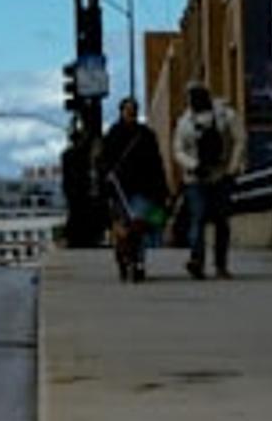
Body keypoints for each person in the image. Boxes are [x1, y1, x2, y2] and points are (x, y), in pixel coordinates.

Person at [171, 83, 245, 279]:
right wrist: (195, 165)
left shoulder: (224, 115)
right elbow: (178, 150)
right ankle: (199, 260)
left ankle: (218, 263)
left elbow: (240, 139)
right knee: (200, 219)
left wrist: (232, 167)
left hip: (217, 175)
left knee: (217, 221)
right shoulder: (186, 122)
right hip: (198, 178)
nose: (193, 101)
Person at [95, 98, 171, 283]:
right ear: (121, 111)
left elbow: (156, 163)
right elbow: (102, 162)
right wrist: (106, 179)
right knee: (123, 229)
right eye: (127, 110)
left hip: (142, 189)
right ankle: (124, 258)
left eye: (133, 110)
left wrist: (162, 189)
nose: (131, 113)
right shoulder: (113, 135)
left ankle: (137, 262)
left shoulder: (146, 135)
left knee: (138, 227)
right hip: (120, 189)